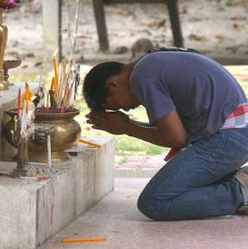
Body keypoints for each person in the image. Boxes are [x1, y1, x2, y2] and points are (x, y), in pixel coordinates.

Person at [83, 47, 248, 221]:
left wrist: (127, 128)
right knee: (185, 191)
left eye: (117, 106)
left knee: (154, 202)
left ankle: (241, 192)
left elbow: (176, 138)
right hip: (234, 133)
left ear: (112, 84)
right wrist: (128, 125)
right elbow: (176, 133)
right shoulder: (149, 64)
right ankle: (238, 184)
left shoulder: (142, 77)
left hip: (229, 138)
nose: (125, 109)